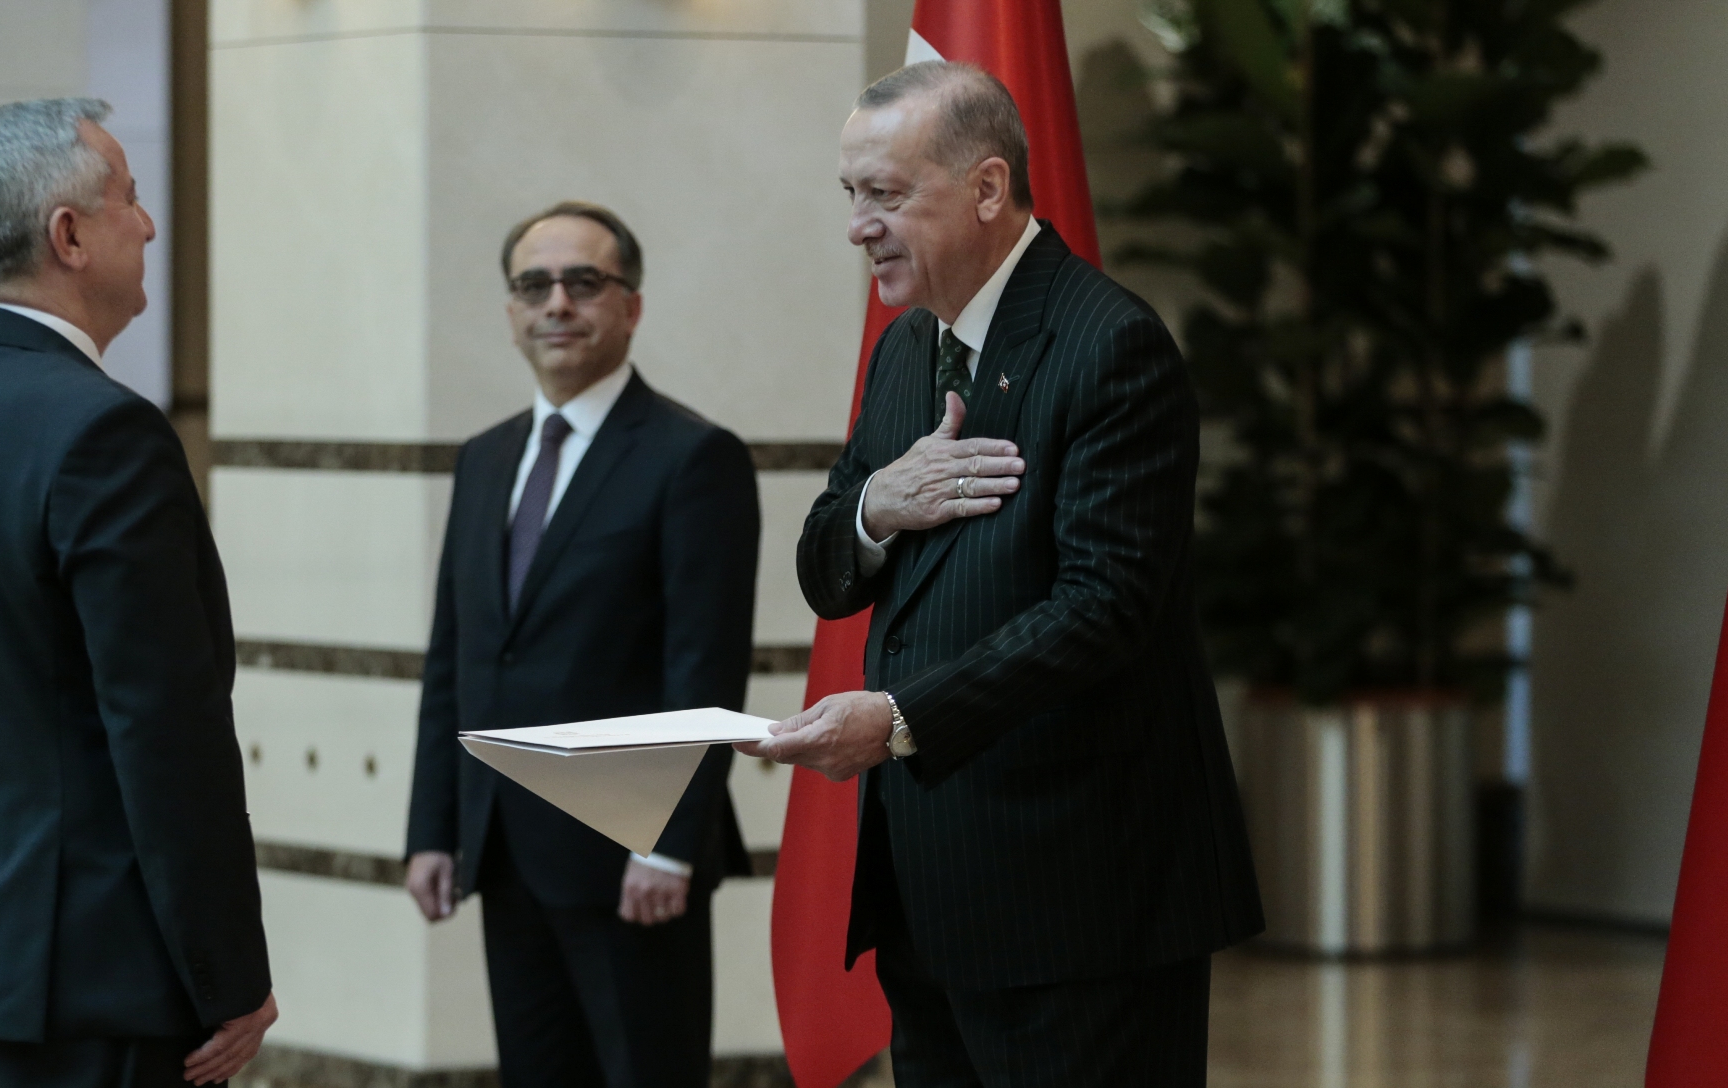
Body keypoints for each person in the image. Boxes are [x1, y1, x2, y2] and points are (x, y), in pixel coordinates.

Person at [740, 63, 1263, 1087]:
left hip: (1080, 899)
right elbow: (825, 571)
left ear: (986, 188)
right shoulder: (905, 350)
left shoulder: (1110, 344)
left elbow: (1101, 608)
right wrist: (875, 505)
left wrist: (897, 718)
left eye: (885, 194)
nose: (857, 226)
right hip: (931, 893)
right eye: (849, 193)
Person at [0, 98, 277, 1088]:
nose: (149, 224)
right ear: (68, 236)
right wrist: (229, 973)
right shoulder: (103, 434)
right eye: (129, 198)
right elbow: (162, 728)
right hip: (97, 980)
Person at [402, 202, 761, 1088]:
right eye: (534, 286)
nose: (556, 303)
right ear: (511, 312)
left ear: (630, 306)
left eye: (583, 282)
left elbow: (703, 668)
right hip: (504, 848)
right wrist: (434, 829)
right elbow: (455, 658)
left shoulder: (692, 457)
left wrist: (666, 845)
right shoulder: (484, 460)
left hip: (627, 855)